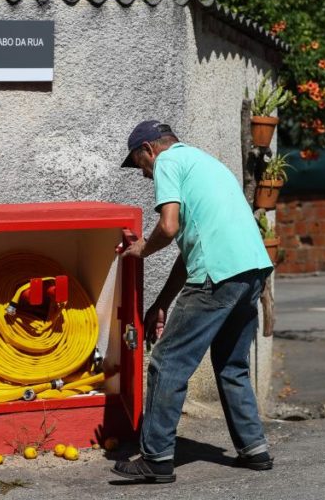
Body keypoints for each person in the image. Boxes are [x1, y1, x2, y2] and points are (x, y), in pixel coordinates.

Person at [111, 120, 274, 484]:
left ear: (149, 150)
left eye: (141, 165)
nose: (144, 175)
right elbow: (190, 251)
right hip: (252, 271)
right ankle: (255, 449)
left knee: (168, 361)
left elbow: (168, 228)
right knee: (232, 364)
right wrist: (162, 302)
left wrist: (141, 249)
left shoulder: (168, 163)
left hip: (217, 275)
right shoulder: (206, 164)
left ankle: (156, 458)